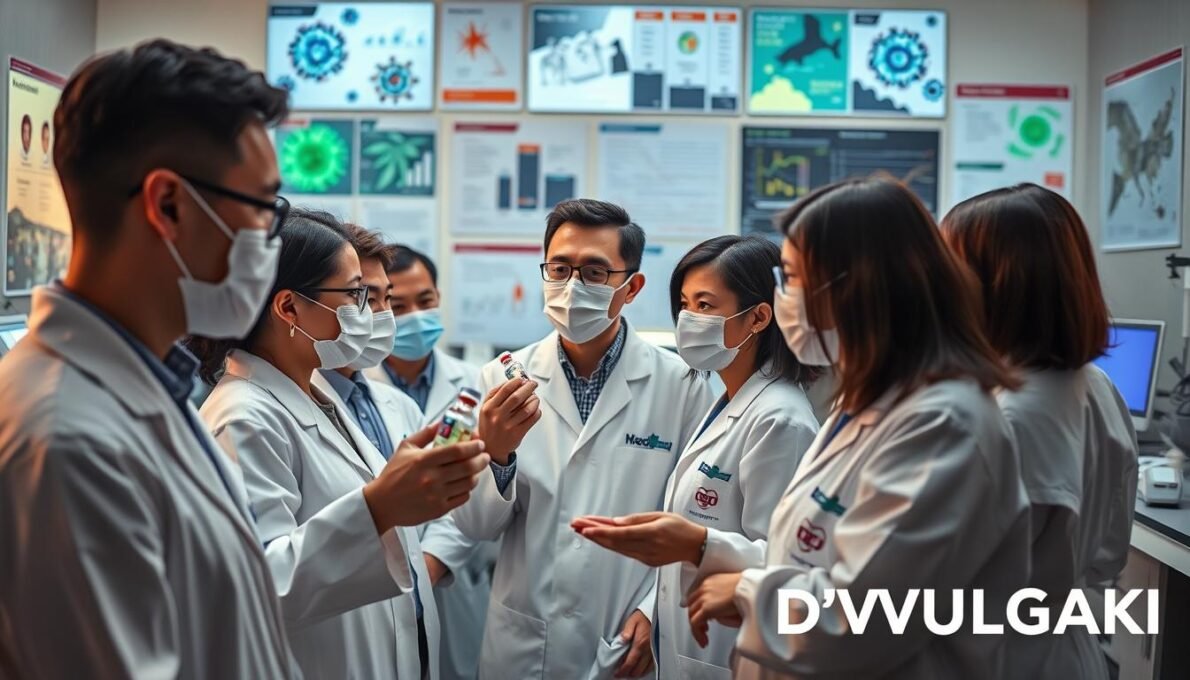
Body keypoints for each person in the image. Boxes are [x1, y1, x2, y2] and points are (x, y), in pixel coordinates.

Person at [0, 39, 297, 677]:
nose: (269, 240)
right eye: (263, 209)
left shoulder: (151, 383)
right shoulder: (66, 440)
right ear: (168, 205)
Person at [686, 177, 1031, 679]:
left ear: (859, 287)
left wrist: (744, 591)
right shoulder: (872, 402)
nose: (785, 298)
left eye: (795, 278)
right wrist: (705, 547)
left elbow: (864, 618)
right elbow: (810, 557)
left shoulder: (943, 426)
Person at [190, 209, 489, 679]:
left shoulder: (318, 393)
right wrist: (379, 507)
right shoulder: (242, 417)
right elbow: (260, 584)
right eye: (355, 295)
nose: (372, 315)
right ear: (289, 308)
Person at [453, 198, 717, 679]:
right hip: (525, 643)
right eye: (559, 268)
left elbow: (696, 519)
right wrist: (496, 453)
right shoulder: (502, 377)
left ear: (632, 287)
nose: (572, 286)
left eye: (595, 272)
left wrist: (654, 611)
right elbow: (473, 527)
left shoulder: (683, 386)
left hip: (626, 636)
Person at [573, 235, 821, 678]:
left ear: (759, 317)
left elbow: (789, 564)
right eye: (685, 304)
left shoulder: (780, 420)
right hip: (688, 649)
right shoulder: (726, 400)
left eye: (706, 305)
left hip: (731, 653)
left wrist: (695, 544)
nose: (688, 318)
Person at [941, 183, 1139, 679]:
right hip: (1057, 647)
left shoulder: (1008, 417)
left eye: (949, 266)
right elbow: (1108, 554)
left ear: (1001, 282)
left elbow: (947, 584)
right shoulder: (1095, 384)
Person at [366, 244, 497, 680]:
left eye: (425, 301)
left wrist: (431, 561)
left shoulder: (476, 383)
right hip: (375, 583)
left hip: (453, 580)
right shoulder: (353, 386)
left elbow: (480, 486)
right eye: (396, 306)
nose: (414, 316)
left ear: (439, 297)